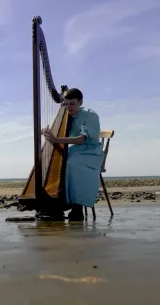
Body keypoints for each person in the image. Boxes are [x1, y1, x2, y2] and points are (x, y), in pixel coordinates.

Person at [42, 88, 103, 221]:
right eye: (66, 103)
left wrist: (56, 140)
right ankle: (58, 202)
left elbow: (82, 139)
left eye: (72, 104)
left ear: (80, 102)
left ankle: (77, 206)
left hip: (91, 152)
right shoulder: (66, 115)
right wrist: (48, 133)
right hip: (76, 150)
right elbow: (62, 133)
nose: (68, 107)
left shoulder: (90, 115)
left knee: (71, 163)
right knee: (59, 162)